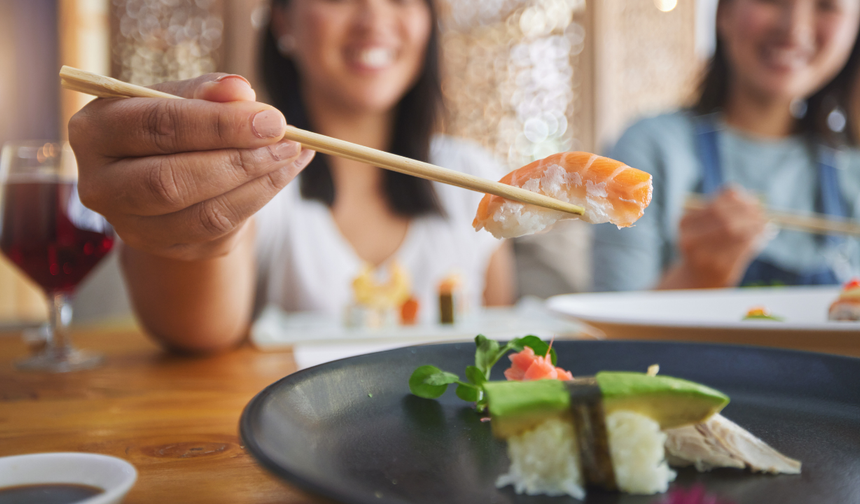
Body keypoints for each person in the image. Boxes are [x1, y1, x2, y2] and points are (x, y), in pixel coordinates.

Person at [68, 0, 514, 352]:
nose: (374, 15)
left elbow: (498, 343)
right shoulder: (256, 174)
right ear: (283, 20)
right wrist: (180, 224)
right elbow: (197, 333)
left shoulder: (471, 177)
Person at [593, 0, 860, 292]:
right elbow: (610, 330)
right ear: (724, 12)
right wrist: (695, 278)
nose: (794, 28)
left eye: (828, 5)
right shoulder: (649, 149)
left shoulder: (853, 168)